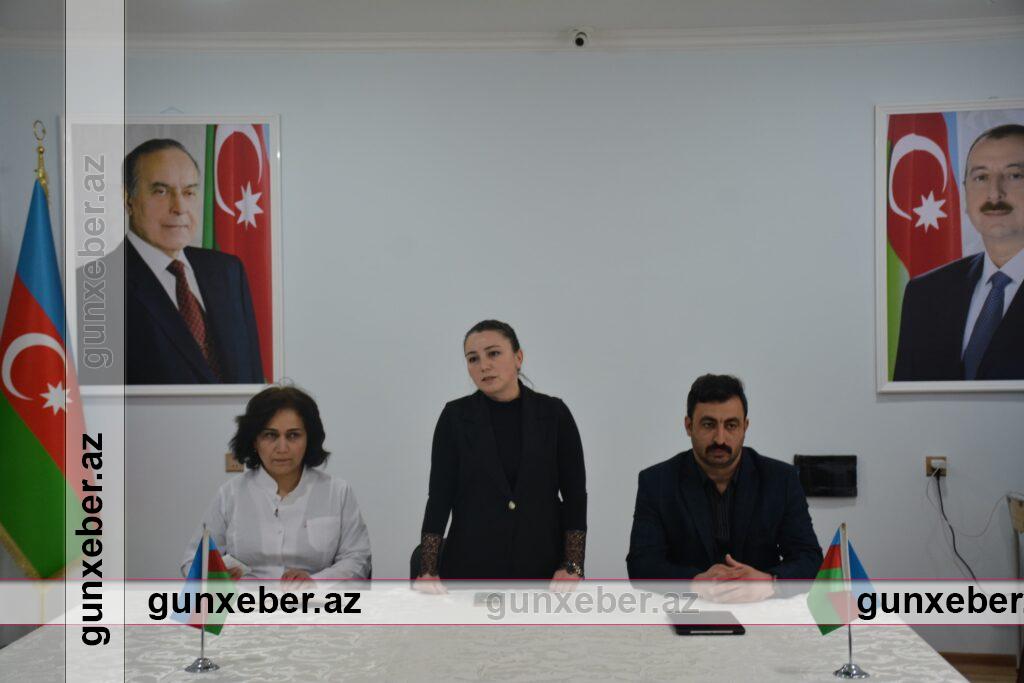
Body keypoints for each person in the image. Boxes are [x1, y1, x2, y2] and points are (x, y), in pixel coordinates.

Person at [414, 320, 587, 592]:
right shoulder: (455, 417)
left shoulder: (554, 414)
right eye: (473, 359)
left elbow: (575, 496)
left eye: (493, 353)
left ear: (518, 357)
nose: (484, 365)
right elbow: (439, 498)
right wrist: (427, 569)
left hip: (542, 570)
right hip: (470, 568)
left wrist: (573, 565)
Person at [77, 138, 264, 385]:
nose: (179, 207)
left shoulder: (228, 271)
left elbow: (253, 379)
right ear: (128, 199)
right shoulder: (94, 285)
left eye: (189, 192)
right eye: (161, 192)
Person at [626, 374, 822, 602]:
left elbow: (810, 559)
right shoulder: (657, 482)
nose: (720, 439)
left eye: (731, 425)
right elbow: (641, 565)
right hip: (687, 608)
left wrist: (769, 583)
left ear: (745, 427)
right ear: (689, 426)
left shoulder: (781, 480)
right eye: (708, 425)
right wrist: (694, 583)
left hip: (761, 608)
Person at [182, 386, 371, 581]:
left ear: (309, 438)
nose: (282, 448)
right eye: (270, 435)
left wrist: (315, 583)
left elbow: (358, 559)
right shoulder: (230, 494)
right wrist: (215, 578)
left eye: (293, 435)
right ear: (254, 441)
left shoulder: (337, 492)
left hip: (316, 599)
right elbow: (192, 561)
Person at [894, 123, 1024, 381]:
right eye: (981, 177)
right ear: (965, 193)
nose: (994, 194)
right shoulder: (924, 293)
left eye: (1015, 175)